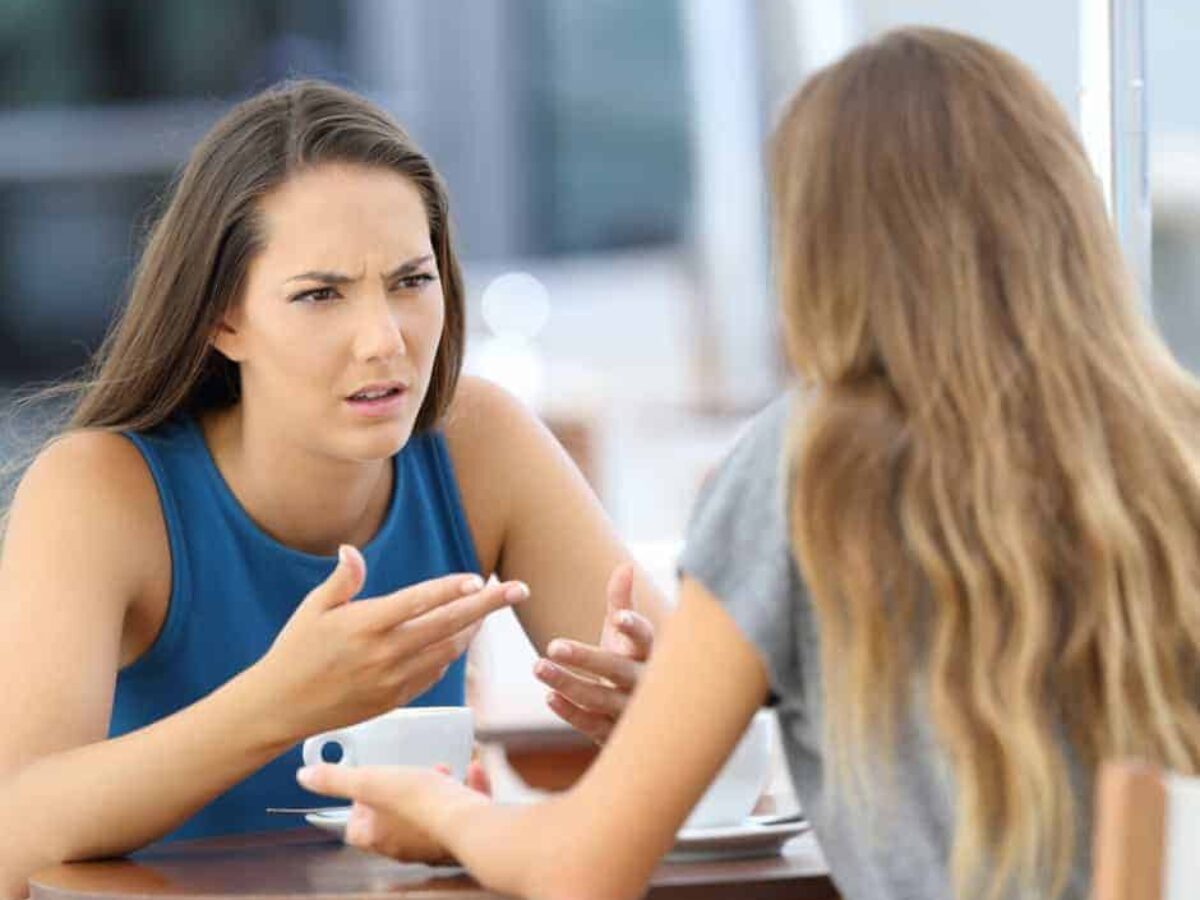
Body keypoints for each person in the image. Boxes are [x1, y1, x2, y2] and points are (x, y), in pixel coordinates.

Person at [297, 26, 1200, 900]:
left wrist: (443, 812)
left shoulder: (813, 468)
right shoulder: (1177, 439)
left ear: (821, 246)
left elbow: (584, 868)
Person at [0, 80, 666, 898]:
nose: (384, 339)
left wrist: (664, 723)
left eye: (411, 282)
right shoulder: (101, 489)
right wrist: (282, 704)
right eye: (320, 295)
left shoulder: (481, 442)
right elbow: (14, 825)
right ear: (223, 319)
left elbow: (696, 726)